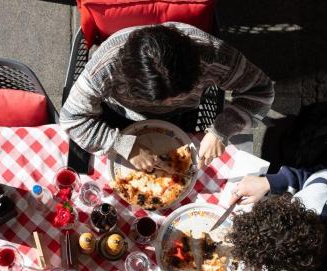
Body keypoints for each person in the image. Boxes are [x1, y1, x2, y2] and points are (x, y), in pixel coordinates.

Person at [60, 22, 274, 171]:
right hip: (120, 114)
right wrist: (124, 145)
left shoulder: (214, 55)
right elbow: (72, 118)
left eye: (175, 95)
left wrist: (221, 130)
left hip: (184, 114)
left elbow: (261, 90)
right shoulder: (106, 64)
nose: (167, 103)